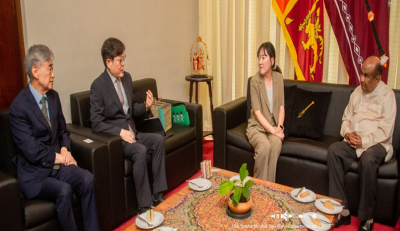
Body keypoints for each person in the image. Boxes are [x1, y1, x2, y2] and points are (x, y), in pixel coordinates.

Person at [9, 45, 99, 231]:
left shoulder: (53, 97)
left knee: (87, 179)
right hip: (35, 175)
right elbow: (31, 149)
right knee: (63, 191)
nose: (53, 74)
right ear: (35, 71)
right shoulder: (18, 107)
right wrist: (61, 157)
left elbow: (63, 132)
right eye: (49, 68)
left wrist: (65, 149)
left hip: (58, 166)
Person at [90, 37, 167, 214]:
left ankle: (157, 193)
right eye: (119, 60)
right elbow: (96, 123)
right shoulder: (98, 86)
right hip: (118, 139)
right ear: (108, 62)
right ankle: (143, 205)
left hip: (134, 132)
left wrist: (146, 106)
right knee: (139, 150)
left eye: (124, 58)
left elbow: (130, 109)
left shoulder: (127, 78)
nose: (123, 64)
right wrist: (119, 132)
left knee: (158, 140)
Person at [328, 56, 396, 231]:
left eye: (366, 76)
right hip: (354, 141)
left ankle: (367, 219)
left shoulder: (387, 96)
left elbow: (385, 131)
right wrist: (347, 133)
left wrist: (364, 142)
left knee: (367, 160)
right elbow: (346, 119)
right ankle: (341, 210)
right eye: (361, 74)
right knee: (334, 151)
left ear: (377, 79)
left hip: (377, 144)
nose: (362, 79)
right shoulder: (357, 92)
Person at [246, 42, 285, 182]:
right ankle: (258, 188)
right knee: (265, 146)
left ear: (272, 60)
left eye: (264, 58)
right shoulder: (254, 81)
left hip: (274, 127)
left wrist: (279, 128)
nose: (260, 62)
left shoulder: (279, 78)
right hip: (257, 128)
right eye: (258, 58)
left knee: (275, 144)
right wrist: (272, 130)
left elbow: (281, 107)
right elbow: (257, 112)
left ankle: (270, 189)